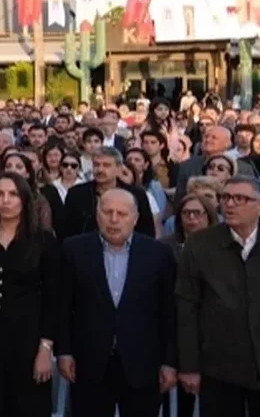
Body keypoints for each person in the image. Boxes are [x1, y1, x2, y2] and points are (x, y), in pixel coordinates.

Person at [57, 189, 177, 417]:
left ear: (136, 218)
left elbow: (168, 313)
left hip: (143, 365)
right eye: (107, 212)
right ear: (97, 214)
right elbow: (64, 305)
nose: (114, 219)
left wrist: (169, 362)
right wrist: (64, 352)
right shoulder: (74, 249)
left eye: (121, 213)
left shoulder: (158, 254)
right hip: (89, 363)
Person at [0, 173, 60, 416]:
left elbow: (54, 297)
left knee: (27, 406)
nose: (5, 200)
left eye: (13, 194)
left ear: (25, 199)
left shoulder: (43, 241)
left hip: (27, 340)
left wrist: (46, 348)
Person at [177, 176, 260, 414]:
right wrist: (189, 366)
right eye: (225, 198)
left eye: (240, 199)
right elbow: (187, 306)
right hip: (219, 368)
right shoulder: (200, 244)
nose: (230, 204)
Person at [158, 193, 216, 417]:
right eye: (186, 213)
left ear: (209, 216)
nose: (191, 218)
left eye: (197, 213)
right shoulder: (165, 246)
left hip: (211, 332)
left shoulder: (221, 247)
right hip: (174, 326)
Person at [58, 147, 156, 241]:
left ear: (119, 168)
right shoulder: (76, 194)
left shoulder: (136, 195)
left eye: (106, 165)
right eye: (96, 165)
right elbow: (66, 232)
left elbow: (147, 232)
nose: (100, 170)